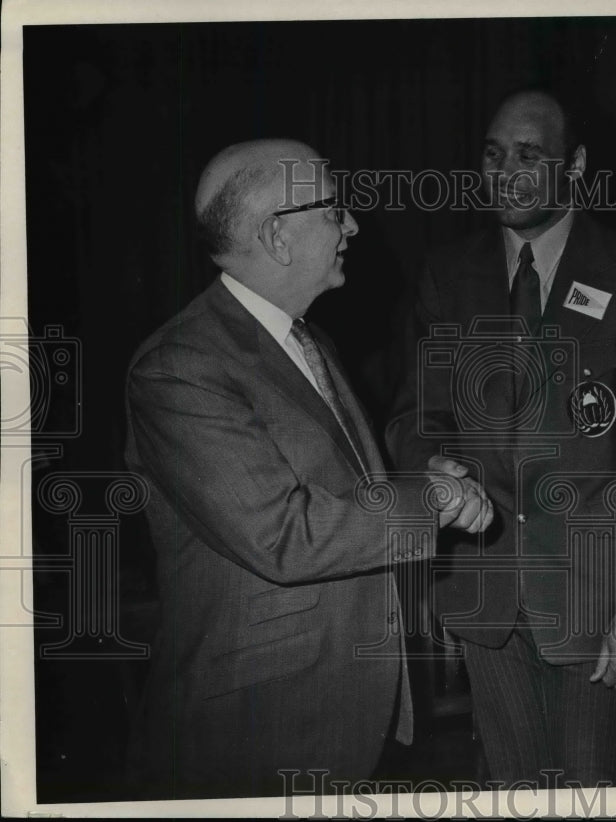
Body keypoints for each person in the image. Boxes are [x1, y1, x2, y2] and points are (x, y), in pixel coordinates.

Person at [124, 139, 492, 799]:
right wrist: (427, 501)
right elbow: (280, 534)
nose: (352, 224)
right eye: (333, 207)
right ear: (277, 236)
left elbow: (347, 492)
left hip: (338, 708)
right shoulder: (179, 366)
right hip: (253, 730)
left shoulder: (307, 340)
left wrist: (420, 479)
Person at [386, 89, 616, 786]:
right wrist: (432, 463)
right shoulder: (448, 274)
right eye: (493, 155)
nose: (505, 173)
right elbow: (411, 417)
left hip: (594, 602)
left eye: (529, 156)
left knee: (590, 792)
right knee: (512, 789)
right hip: (483, 597)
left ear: (574, 165)